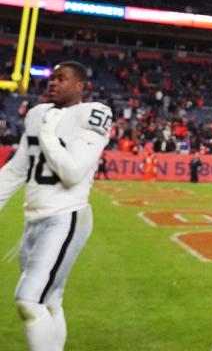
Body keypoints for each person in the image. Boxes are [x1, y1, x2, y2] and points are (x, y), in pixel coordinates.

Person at [0, 61, 113, 351]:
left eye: (61, 79)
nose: (53, 83)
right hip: (34, 219)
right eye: (52, 78)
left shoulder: (93, 113)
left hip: (66, 216)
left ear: (79, 86)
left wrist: (49, 135)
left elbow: (72, 172)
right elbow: (17, 168)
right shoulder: (38, 114)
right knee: (50, 299)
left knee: (29, 299)